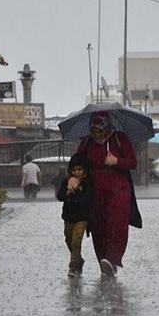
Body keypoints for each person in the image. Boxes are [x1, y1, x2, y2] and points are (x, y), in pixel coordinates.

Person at [67, 111, 140, 277]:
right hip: (95, 190)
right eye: (95, 131)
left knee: (117, 223)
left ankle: (112, 258)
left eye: (100, 130)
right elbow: (76, 163)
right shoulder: (87, 142)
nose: (98, 134)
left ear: (107, 126)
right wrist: (72, 177)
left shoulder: (120, 138)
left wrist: (117, 161)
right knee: (98, 227)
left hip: (118, 188)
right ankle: (103, 261)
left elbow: (132, 162)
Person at [56, 153, 93, 278]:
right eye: (74, 170)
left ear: (84, 170)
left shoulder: (88, 182)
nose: (77, 172)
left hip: (82, 217)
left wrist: (75, 194)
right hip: (68, 216)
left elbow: (87, 199)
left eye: (79, 170)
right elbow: (59, 196)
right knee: (68, 240)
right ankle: (79, 260)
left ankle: (74, 267)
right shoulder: (67, 181)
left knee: (76, 241)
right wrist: (67, 193)